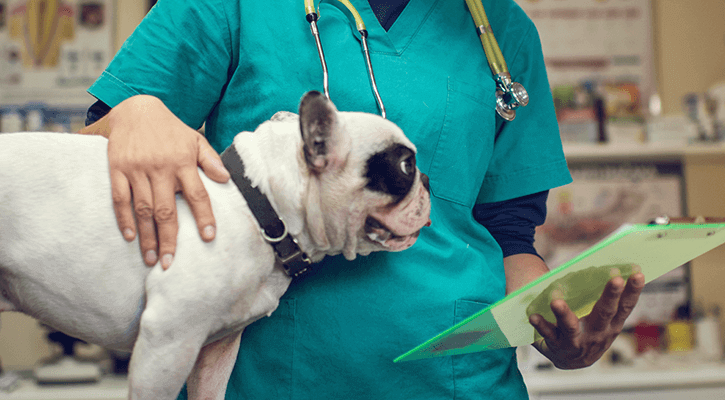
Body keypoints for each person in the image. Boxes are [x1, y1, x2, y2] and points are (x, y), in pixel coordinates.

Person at [80, 0, 644, 398]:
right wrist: (133, 113)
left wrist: (556, 323)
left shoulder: (501, 28)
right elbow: (108, 140)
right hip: (266, 373)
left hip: (456, 382)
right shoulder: (232, 6)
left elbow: (511, 237)